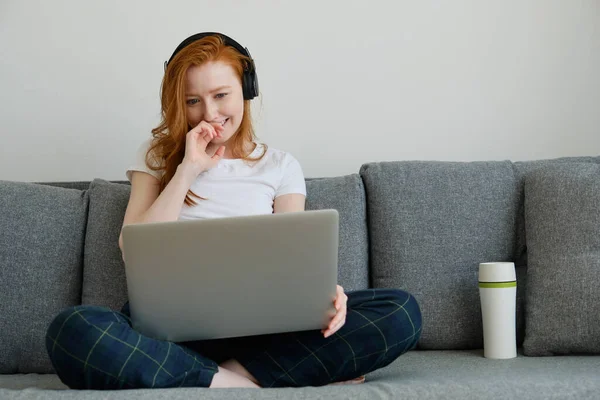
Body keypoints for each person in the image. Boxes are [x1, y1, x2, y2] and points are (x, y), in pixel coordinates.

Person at [45, 32, 422, 390]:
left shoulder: (280, 165)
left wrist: (326, 294)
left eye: (221, 95)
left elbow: (295, 259)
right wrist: (188, 169)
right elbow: (133, 247)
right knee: (73, 329)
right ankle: (243, 382)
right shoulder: (157, 156)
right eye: (193, 101)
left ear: (246, 90)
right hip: (169, 334)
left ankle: (216, 376)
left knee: (401, 312)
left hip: (265, 335)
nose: (208, 113)